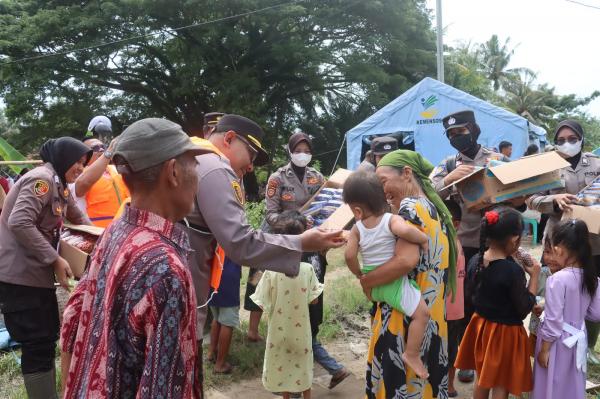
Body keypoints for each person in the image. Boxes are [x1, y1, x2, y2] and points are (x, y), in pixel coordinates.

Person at [184, 114, 345, 393]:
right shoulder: (216, 168)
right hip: (196, 280)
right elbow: (242, 239)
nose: (249, 167)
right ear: (230, 138)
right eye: (250, 155)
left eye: (308, 151)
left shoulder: (193, 156)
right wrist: (302, 241)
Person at [60, 118, 208, 398]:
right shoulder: (166, 268)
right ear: (174, 172)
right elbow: (163, 390)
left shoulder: (113, 233)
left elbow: (72, 315)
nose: (198, 180)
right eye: (195, 167)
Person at [0, 137, 92, 399]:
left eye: (84, 163)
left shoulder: (59, 185)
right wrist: (54, 258)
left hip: (34, 277)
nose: (81, 168)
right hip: (19, 278)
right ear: (63, 158)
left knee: (46, 338)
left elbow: (78, 217)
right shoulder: (41, 180)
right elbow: (19, 222)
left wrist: (100, 241)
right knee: (37, 343)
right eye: (78, 162)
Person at [361, 150, 457, 398]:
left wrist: (367, 281)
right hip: (432, 316)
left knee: (401, 385)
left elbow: (405, 260)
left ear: (406, 173)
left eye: (383, 181)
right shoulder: (435, 209)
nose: (382, 191)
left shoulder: (409, 207)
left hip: (404, 315)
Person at [430, 109, 510, 383]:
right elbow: (428, 191)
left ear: (474, 129)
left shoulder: (498, 160)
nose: (456, 138)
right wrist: (450, 179)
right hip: (461, 245)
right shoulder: (448, 164)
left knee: (490, 302)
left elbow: (519, 192)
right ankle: (464, 358)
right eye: (451, 134)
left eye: (461, 132)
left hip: (494, 243)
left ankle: (488, 357)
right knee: (461, 305)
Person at [342, 170, 431, 378]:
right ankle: (412, 354)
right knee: (422, 314)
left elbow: (349, 256)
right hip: (392, 282)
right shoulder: (391, 220)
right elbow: (406, 232)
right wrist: (422, 239)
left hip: (373, 288)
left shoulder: (356, 229)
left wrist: (359, 274)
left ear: (356, 210)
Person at [527, 119, 600, 363]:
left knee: (589, 291)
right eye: (560, 140)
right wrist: (554, 199)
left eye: (571, 138)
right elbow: (531, 199)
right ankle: (537, 342)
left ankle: (586, 347)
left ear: (581, 139)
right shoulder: (548, 165)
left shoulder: (597, 164)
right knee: (547, 289)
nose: (566, 143)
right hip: (557, 240)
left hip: (592, 241)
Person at [455, 207, 539, 399]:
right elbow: (524, 307)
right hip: (504, 334)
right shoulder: (511, 271)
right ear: (514, 239)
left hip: (482, 327)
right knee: (501, 381)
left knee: (482, 377)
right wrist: (534, 276)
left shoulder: (476, 260)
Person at [247, 132, 323, 340]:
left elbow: (323, 205)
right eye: (298, 151)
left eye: (307, 151)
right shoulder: (277, 177)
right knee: (260, 280)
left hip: (306, 236)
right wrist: (294, 221)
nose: (302, 155)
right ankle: (252, 331)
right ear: (290, 151)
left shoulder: (316, 177)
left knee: (305, 281)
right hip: (276, 236)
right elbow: (271, 214)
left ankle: (305, 329)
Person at [250, 211, 323, 399]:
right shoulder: (307, 270)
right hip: (302, 334)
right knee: (304, 369)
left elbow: (261, 301)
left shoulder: (271, 272)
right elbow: (314, 300)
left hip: (278, 333)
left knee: (283, 368)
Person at [533, 219, 600, 399]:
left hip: (557, 343)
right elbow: (595, 314)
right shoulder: (592, 278)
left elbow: (554, 322)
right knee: (571, 382)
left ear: (560, 248)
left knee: (551, 384)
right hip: (578, 337)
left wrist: (545, 350)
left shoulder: (557, 280)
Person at [72, 117, 130, 227]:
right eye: (95, 148)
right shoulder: (77, 173)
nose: (102, 150)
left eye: (103, 147)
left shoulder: (115, 169)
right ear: (84, 155)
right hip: (96, 234)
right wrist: (109, 151)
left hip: (122, 231)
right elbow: (82, 185)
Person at [444, 200, 465, 398]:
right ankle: (449, 386)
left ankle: (447, 385)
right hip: (455, 308)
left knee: (448, 350)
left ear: (456, 223)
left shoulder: (449, 244)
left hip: (447, 309)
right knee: (450, 349)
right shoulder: (457, 242)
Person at [207, 257, 241, 374]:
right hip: (228, 276)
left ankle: (211, 353)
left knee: (216, 318)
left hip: (213, 274)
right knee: (227, 323)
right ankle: (220, 364)